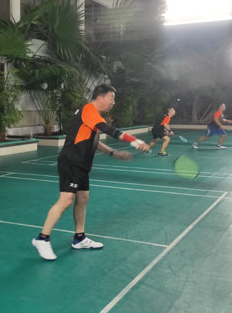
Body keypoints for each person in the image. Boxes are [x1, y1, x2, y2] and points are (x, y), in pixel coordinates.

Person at [32, 84, 150, 261]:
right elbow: (109, 130)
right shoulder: (88, 109)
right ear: (100, 98)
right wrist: (135, 141)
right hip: (71, 162)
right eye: (111, 98)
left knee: (83, 198)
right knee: (66, 200)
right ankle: (42, 239)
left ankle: (79, 238)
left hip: (82, 165)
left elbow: (93, 140)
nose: (113, 102)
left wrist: (113, 153)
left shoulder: (93, 116)